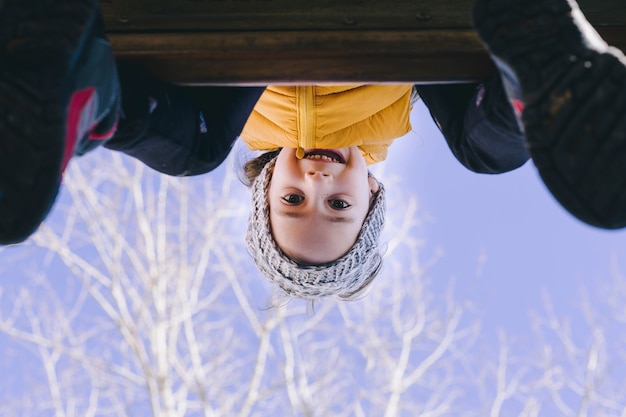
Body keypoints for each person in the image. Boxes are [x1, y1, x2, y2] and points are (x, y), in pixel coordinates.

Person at [1, 0, 624, 299]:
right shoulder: (388, 118)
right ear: (372, 192)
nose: (319, 181)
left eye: (294, 200)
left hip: (247, 37)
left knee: (195, 154)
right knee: (481, 152)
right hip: (403, 29)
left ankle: (76, 92)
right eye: (339, 207)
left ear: (265, 188)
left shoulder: (229, 121)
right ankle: (542, 77)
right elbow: (438, 54)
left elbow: (217, 86)